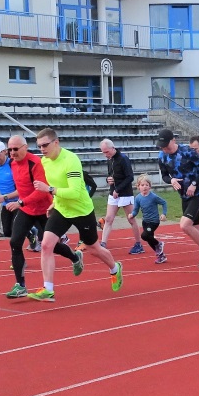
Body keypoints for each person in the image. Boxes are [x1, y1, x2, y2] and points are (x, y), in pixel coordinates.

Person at [29, 128, 123, 301]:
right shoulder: (45, 162)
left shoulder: (71, 160)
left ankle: (115, 268)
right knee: (46, 245)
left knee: (93, 248)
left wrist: (49, 190)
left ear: (56, 143)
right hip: (62, 209)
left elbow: (73, 192)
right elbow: (57, 185)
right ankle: (48, 289)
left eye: (45, 145)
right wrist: (54, 203)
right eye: (39, 146)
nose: (42, 149)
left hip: (81, 210)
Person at [3, 135, 75, 298]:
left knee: (51, 246)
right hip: (27, 210)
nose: (12, 153)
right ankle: (20, 286)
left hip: (44, 210)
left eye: (15, 149)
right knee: (15, 242)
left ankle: (74, 256)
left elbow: (42, 190)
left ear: (25, 147)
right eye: (10, 149)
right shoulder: (12, 164)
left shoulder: (35, 163)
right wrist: (5, 197)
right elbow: (23, 188)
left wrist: (21, 203)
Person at [156, 129, 199, 271]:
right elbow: (165, 176)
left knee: (184, 225)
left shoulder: (187, 152)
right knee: (195, 228)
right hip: (184, 196)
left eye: (167, 145)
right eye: (162, 146)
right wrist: (171, 180)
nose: (165, 149)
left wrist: (194, 183)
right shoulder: (162, 156)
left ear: (173, 140)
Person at [98, 139, 143, 253]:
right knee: (108, 219)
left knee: (131, 219)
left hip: (125, 194)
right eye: (103, 152)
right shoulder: (109, 160)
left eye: (106, 152)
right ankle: (103, 244)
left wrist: (118, 189)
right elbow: (111, 175)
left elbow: (130, 177)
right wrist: (108, 180)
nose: (105, 155)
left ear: (113, 148)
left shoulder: (123, 159)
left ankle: (138, 244)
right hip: (113, 193)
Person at [129, 174, 169, 264]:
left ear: (150, 186)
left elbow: (164, 203)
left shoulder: (153, 197)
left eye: (147, 185)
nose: (144, 187)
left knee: (144, 236)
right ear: (138, 187)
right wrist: (132, 215)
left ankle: (159, 244)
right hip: (145, 222)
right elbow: (136, 210)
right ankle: (161, 256)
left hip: (154, 221)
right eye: (142, 185)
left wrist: (164, 214)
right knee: (149, 238)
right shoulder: (138, 198)